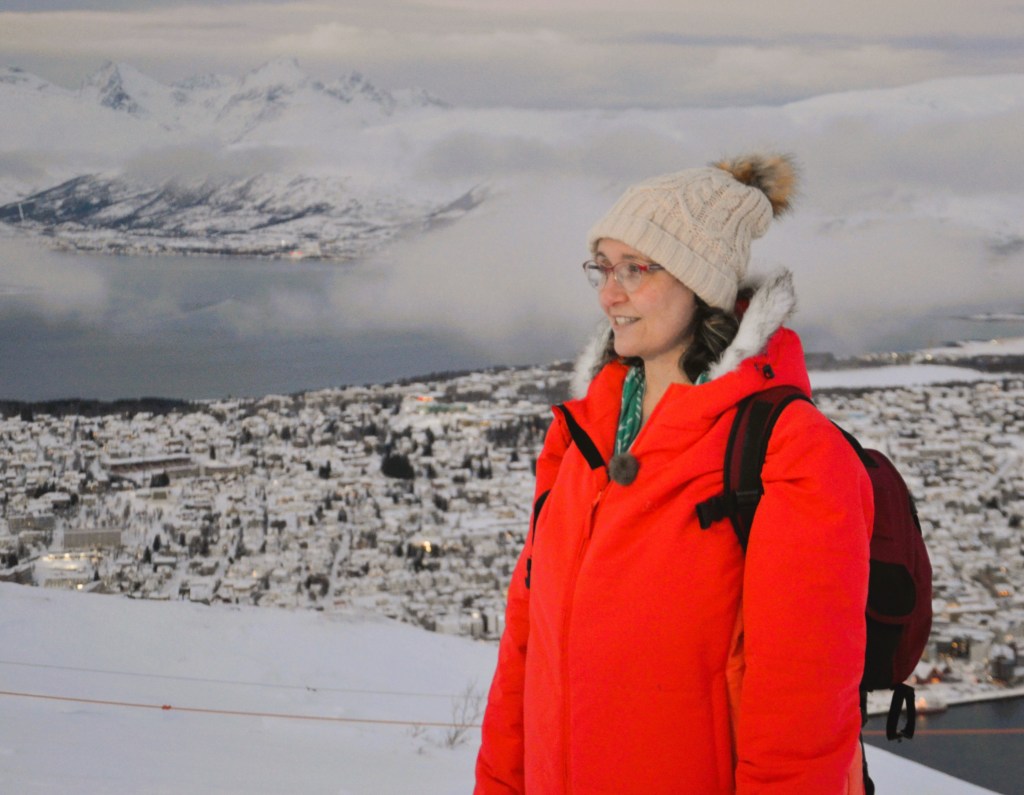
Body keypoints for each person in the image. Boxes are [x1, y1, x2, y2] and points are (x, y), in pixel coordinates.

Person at [474, 154, 873, 794]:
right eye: (603, 268)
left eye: (637, 268)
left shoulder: (788, 450)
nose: (611, 292)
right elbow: (525, 655)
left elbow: (802, 711)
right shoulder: (580, 442)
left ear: (700, 283)